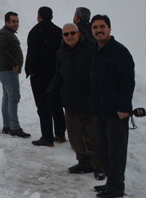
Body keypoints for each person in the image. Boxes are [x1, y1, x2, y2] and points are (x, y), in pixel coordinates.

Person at [47, 23, 103, 179]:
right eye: (66, 34)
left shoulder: (92, 49)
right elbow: (59, 74)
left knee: (93, 137)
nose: (69, 36)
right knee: (74, 137)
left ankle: (99, 165)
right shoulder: (61, 53)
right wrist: (51, 88)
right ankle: (85, 162)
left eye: (72, 33)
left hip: (89, 102)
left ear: (79, 34)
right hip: (70, 102)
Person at [90, 15, 135, 198]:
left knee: (116, 151)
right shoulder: (97, 50)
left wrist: (124, 106)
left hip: (116, 112)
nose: (98, 30)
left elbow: (127, 81)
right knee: (104, 150)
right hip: (99, 109)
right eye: (95, 27)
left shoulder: (119, 52)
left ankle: (116, 188)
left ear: (109, 28)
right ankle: (111, 182)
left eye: (102, 26)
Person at [26, 6, 66, 146]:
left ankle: (47, 137)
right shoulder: (59, 32)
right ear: (52, 16)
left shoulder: (35, 31)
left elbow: (31, 53)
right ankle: (60, 134)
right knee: (57, 104)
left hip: (39, 75)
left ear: (39, 16)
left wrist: (29, 69)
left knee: (43, 106)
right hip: (55, 74)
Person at [0, 11, 31, 137]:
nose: (16, 24)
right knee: (14, 97)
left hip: (7, 70)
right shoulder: (4, 34)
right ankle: (14, 127)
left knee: (7, 98)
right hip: (8, 70)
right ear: (7, 22)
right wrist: (14, 63)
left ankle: (7, 126)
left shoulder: (8, 33)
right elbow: (1, 50)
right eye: (13, 21)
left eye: (17, 21)